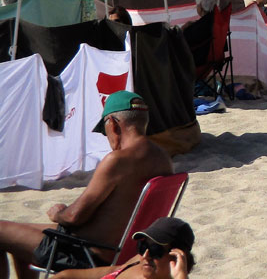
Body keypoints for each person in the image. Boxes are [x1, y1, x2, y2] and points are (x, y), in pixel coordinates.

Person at [0, 92, 173, 277]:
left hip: (86, 254)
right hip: (126, 250)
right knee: (19, 233)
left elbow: (75, 217)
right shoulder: (164, 159)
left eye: (104, 129)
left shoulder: (117, 161)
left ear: (113, 124)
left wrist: (59, 213)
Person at [55, 216, 196, 279]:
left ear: (177, 256)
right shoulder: (137, 262)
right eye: (142, 246)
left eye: (155, 250)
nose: (145, 255)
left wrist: (180, 277)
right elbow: (66, 276)